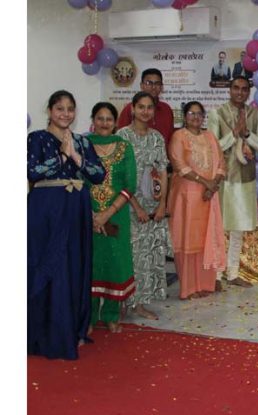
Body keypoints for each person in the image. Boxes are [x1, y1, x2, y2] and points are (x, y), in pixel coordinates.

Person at [28, 90, 106, 359]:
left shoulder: (83, 142)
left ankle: (73, 329)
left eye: (70, 109)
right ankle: (44, 333)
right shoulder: (36, 138)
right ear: (49, 111)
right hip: (47, 209)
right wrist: (61, 156)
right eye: (59, 108)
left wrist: (75, 156)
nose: (65, 114)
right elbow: (31, 171)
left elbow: (98, 175)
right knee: (50, 265)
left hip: (76, 209)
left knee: (75, 266)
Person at [207, 75, 258, 288]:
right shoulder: (217, 113)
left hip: (246, 178)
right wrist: (234, 134)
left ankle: (232, 273)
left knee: (238, 229)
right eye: (236, 88)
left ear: (248, 92)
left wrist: (247, 133)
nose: (240, 92)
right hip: (224, 178)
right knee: (219, 227)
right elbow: (213, 147)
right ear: (229, 90)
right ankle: (214, 275)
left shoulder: (254, 114)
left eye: (244, 89)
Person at [117, 92, 170, 320]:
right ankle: (123, 302)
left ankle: (141, 304)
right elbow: (119, 176)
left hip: (153, 205)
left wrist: (162, 205)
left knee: (150, 255)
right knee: (132, 255)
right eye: (141, 107)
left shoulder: (157, 137)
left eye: (149, 107)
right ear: (133, 109)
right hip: (128, 205)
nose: (145, 111)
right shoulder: (122, 137)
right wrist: (136, 206)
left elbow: (165, 172)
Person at [86, 102, 137, 334]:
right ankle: (87, 318)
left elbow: (130, 185)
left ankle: (111, 315)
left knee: (116, 263)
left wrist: (107, 213)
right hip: (87, 215)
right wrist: (92, 215)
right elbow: (77, 180)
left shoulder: (124, 147)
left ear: (116, 123)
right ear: (93, 120)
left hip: (117, 215)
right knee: (91, 263)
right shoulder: (83, 145)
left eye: (109, 119)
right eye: (100, 118)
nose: (104, 123)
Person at [167, 101, 227, 299]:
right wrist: (206, 183)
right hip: (187, 198)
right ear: (185, 116)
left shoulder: (210, 136)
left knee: (205, 240)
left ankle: (205, 284)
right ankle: (188, 288)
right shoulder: (179, 136)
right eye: (191, 113)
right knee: (187, 241)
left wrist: (212, 185)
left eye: (199, 114)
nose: (195, 117)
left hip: (208, 197)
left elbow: (221, 164)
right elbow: (179, 165)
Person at [117, 68, 175, 148]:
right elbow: (120, 139)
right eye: (149, 83)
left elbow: (170, 139)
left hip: (162, 157)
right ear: (142, 86)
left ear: (161, 87)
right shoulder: (130, 108)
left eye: (157, 83)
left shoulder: (166, 109)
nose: (153, 87)